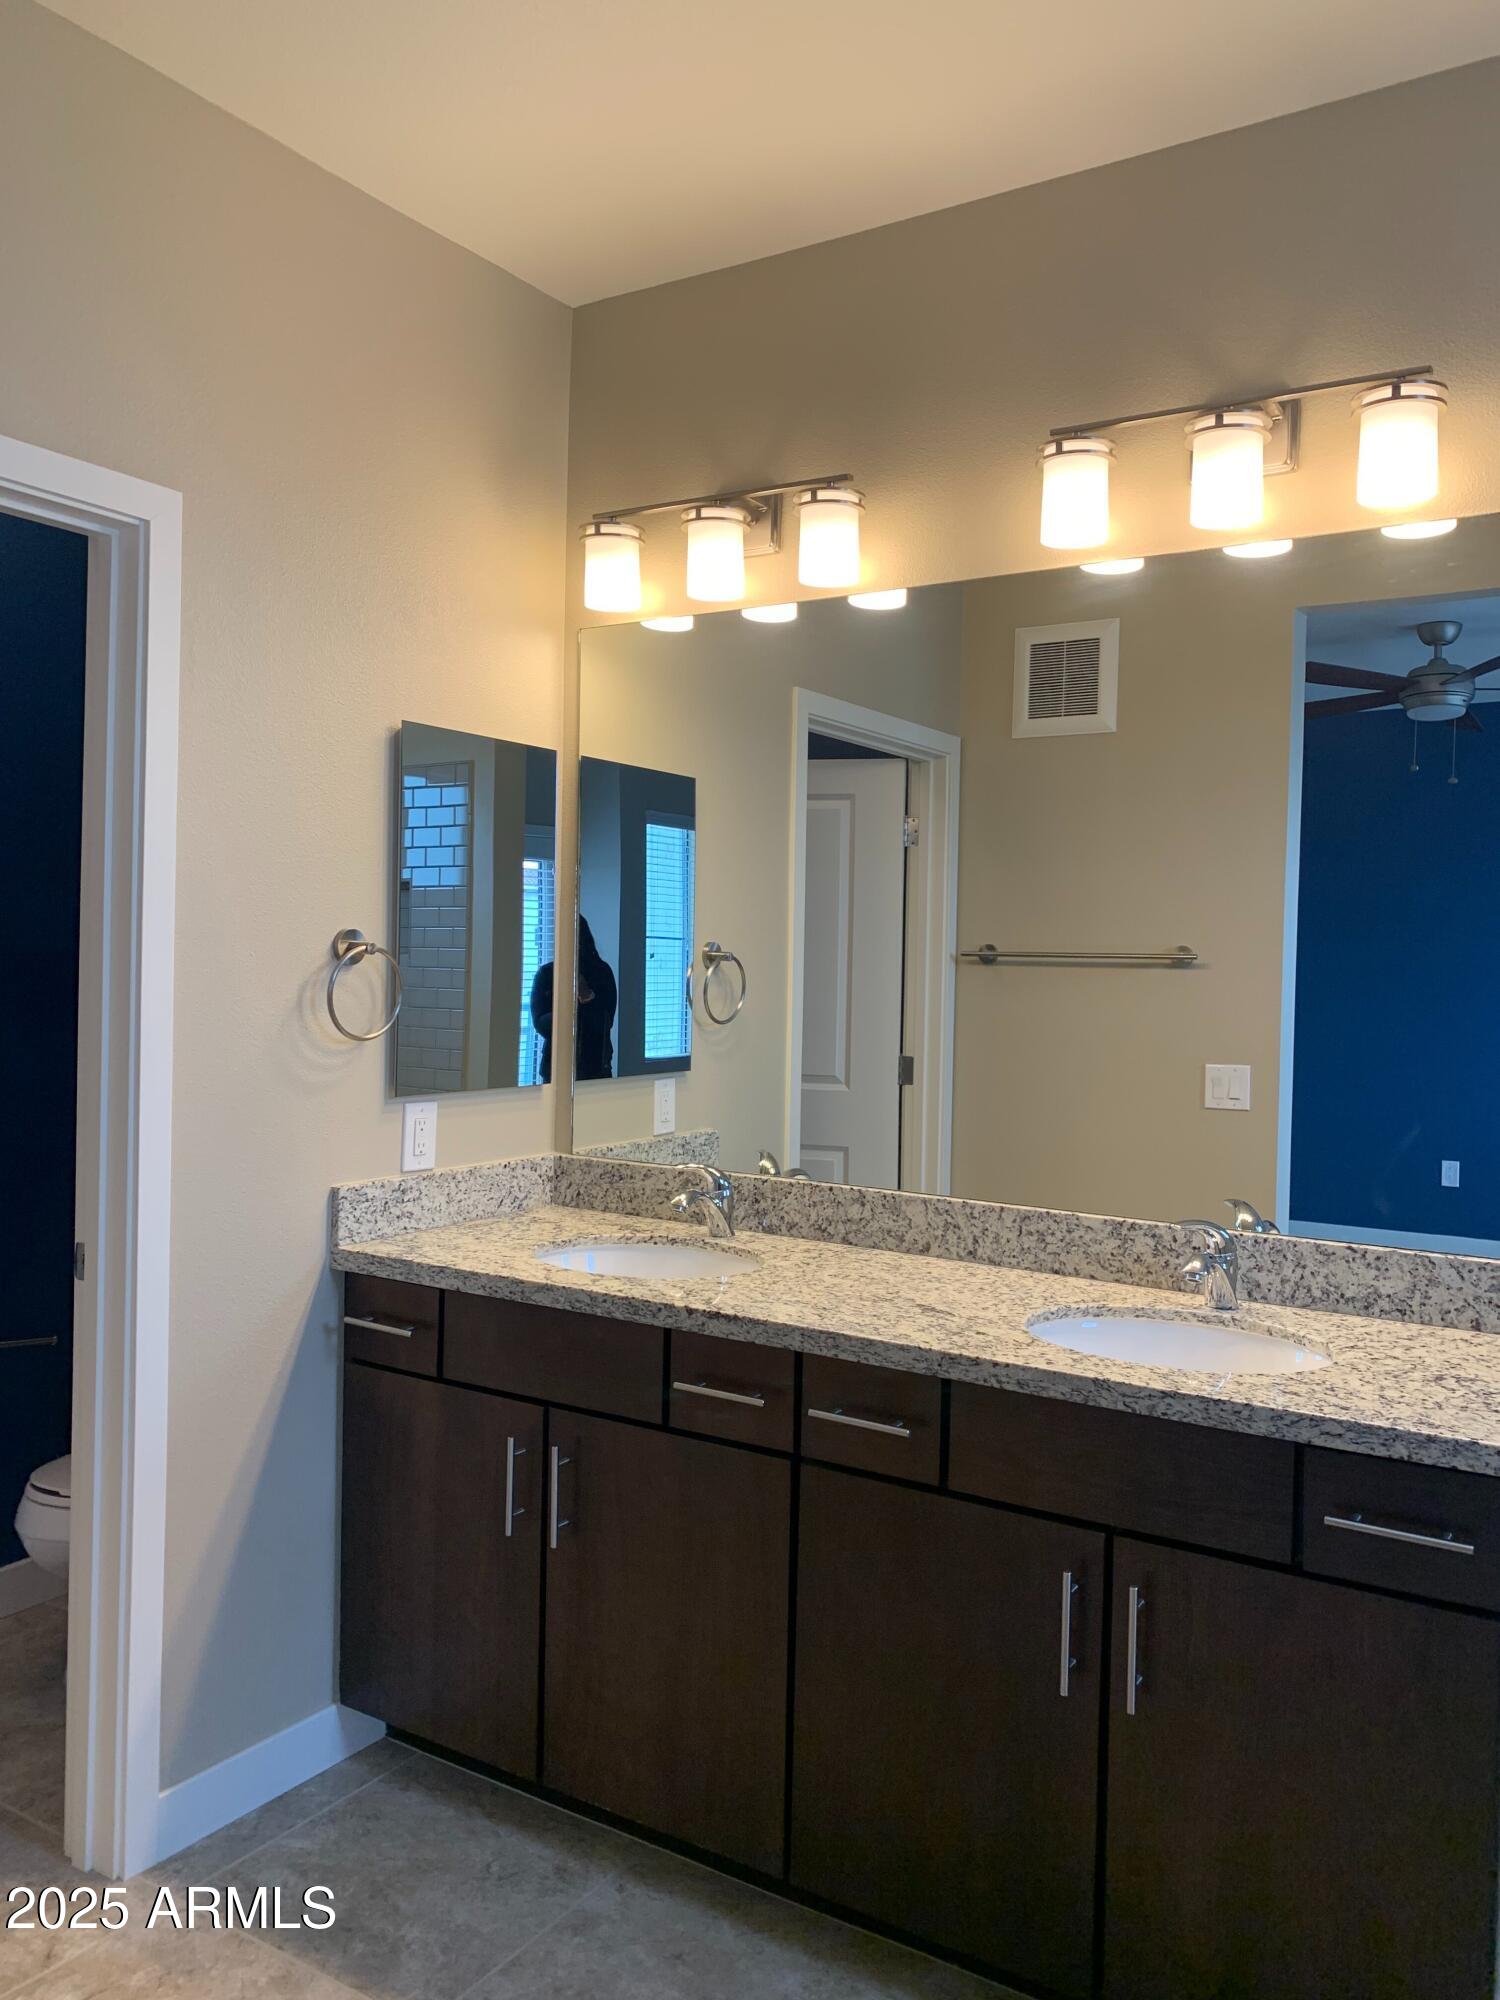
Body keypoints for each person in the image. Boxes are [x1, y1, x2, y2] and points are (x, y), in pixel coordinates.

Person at [529, 915, 617, 1082]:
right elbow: (540, 1024)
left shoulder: (602, 973)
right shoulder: (547, 974)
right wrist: (566, 1008)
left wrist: (588, 997)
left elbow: (606, 1023)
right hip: (555, 1067)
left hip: (596, 1066)